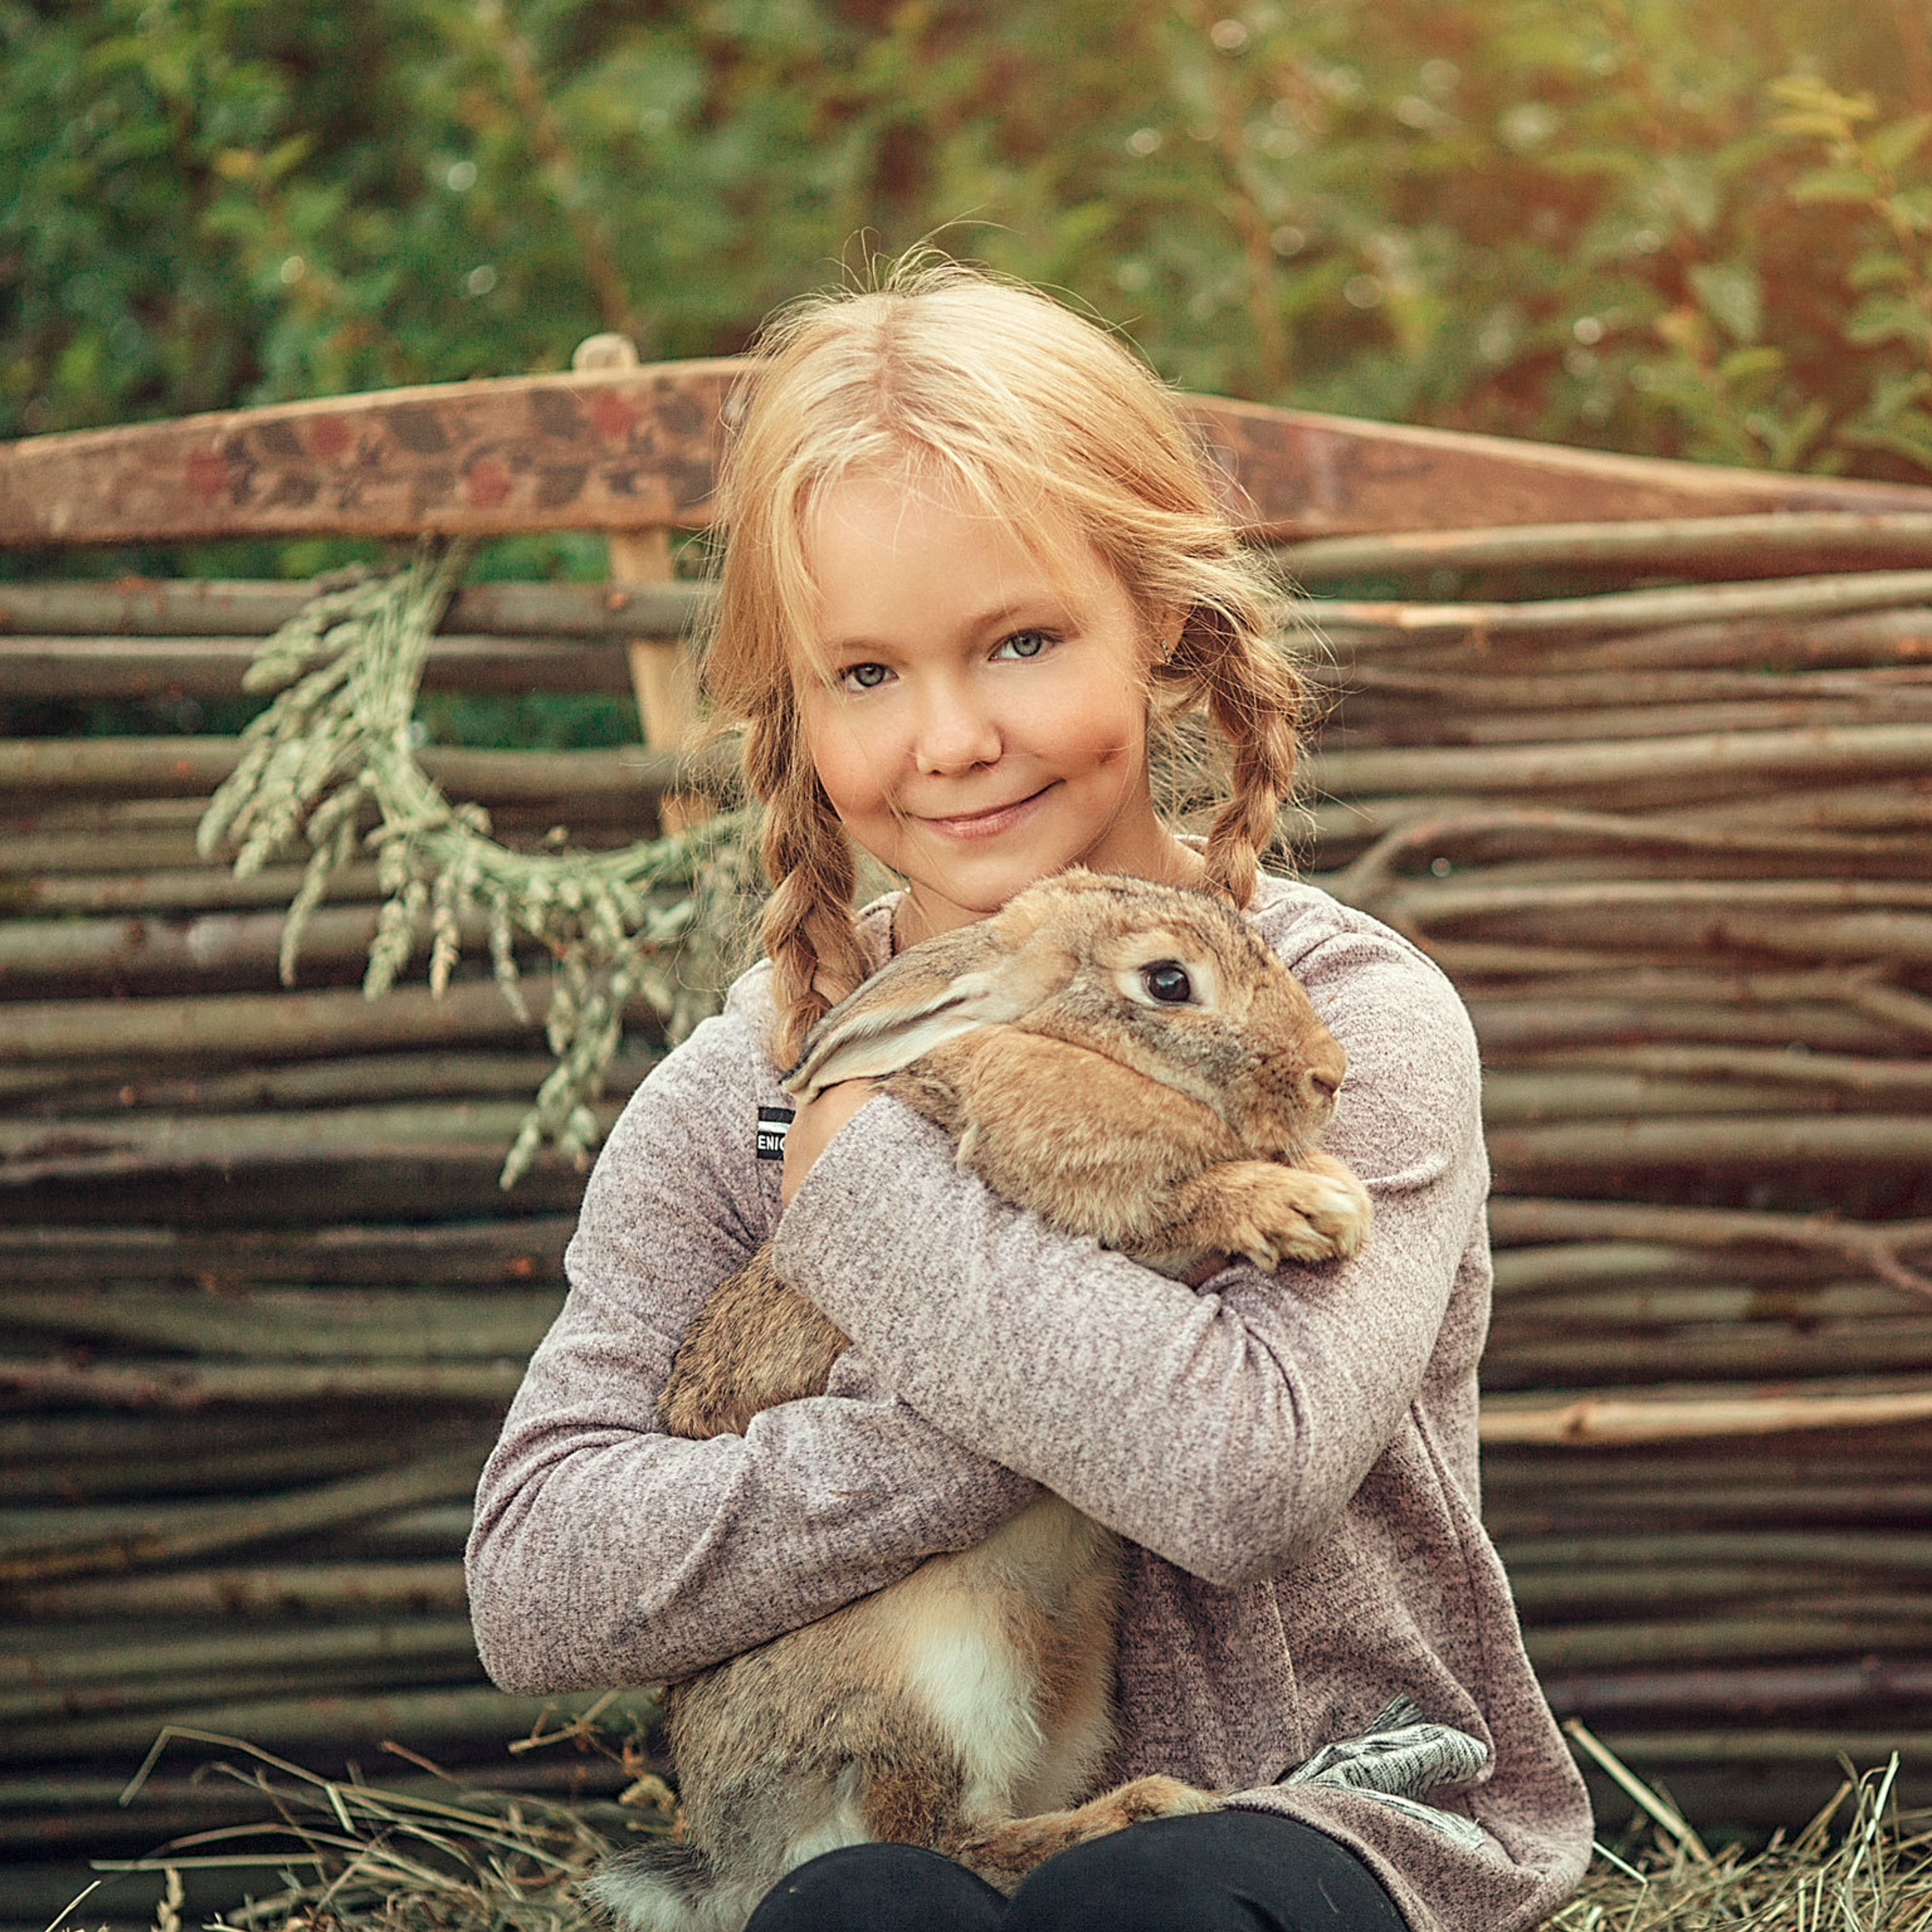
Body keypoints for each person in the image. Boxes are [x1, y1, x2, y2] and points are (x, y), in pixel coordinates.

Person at [465, 256, 1593, 1932]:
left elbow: (1235, 1467)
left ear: (1155, 619)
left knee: (1147, 1910)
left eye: (1016, 641)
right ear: (794, 703)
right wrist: (928, 1361)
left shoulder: (1336, 1019)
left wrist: (867, 1201)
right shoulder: (743, 1093)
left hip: (1325, 1802)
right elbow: (540, 1583)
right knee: (860, 1915)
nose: (951, 738)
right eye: (866, 675)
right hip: (905, 1816)